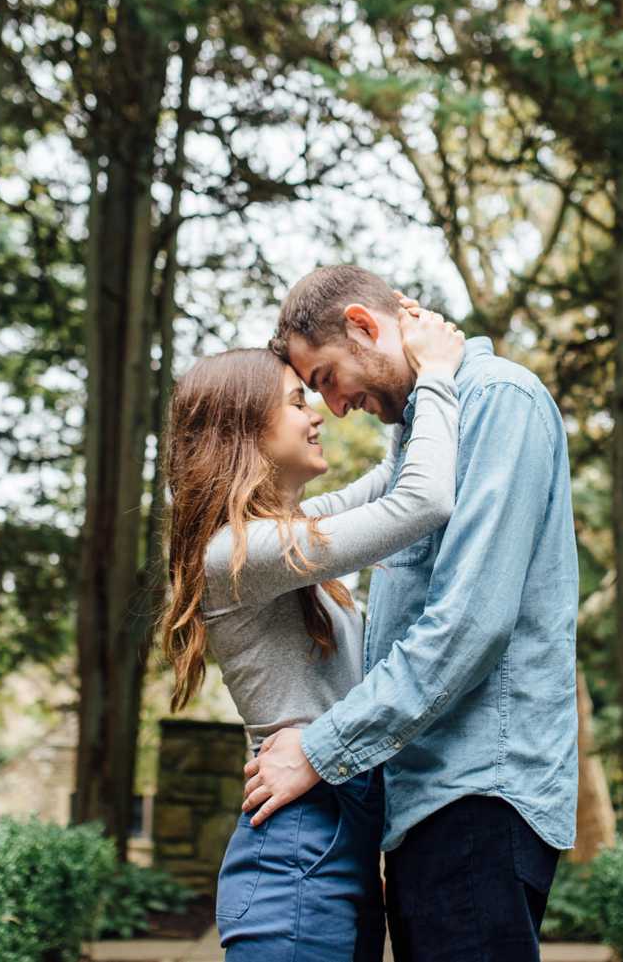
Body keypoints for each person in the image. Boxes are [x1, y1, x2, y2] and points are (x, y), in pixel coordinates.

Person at [242, 264, 579, 962]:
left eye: (328, 376)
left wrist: (319, 747)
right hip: (432, 799)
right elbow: (347, 517)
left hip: (480, 793)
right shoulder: (431, 424)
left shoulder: (498, 400)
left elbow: (470, 622)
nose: (333, 406)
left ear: (365, 324)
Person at [156, 304, 467, 961]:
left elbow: (396, 482)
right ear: (245, 428)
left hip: (340, 839)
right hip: (295, 851)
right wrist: (436, 374)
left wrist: (399, 373)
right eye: (298, 400)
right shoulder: (240, 552)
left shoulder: (284, 536)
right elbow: (422, 503)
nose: (319, 411)